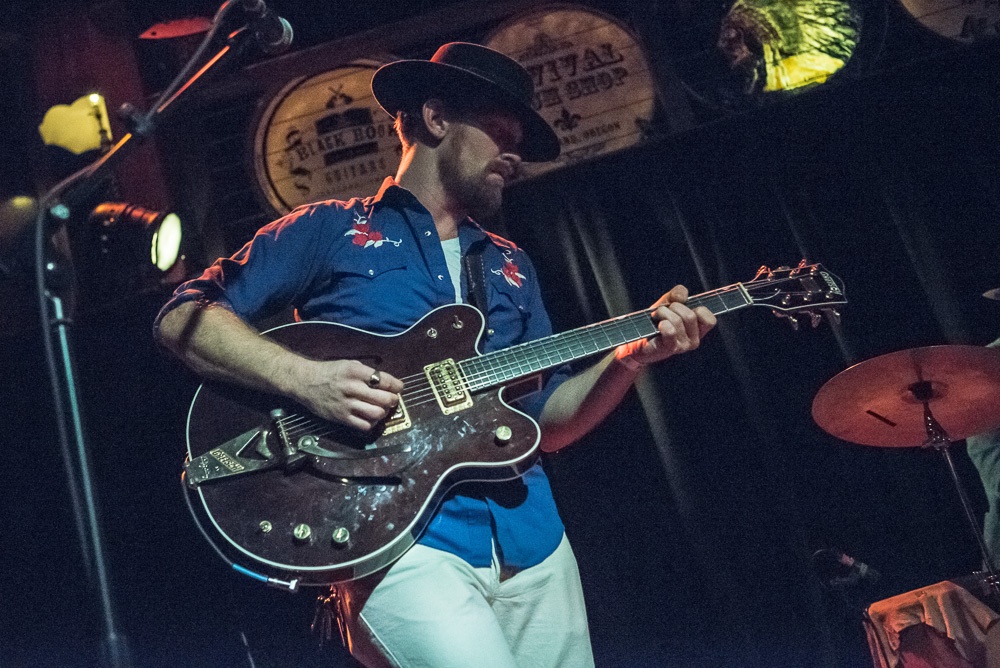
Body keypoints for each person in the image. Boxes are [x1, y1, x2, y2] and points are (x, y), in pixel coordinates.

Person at [155, 42, 716, 668]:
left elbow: (549, 423)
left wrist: (630, 360)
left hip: (534, 539)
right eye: (502, 134)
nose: (515, 157)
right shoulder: (329, 229)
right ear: (436, 119)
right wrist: (306, 380)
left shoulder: (511, 265)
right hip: (400, 544)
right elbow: (184, 317)